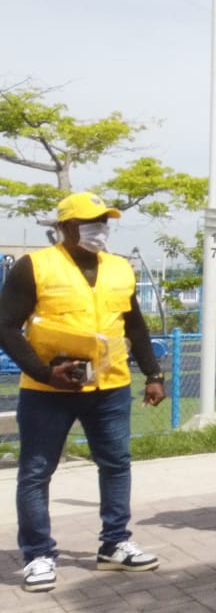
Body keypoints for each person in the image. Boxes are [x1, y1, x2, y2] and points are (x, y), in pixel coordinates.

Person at [0, 192, 165, 592]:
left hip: (110, 387)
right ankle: (38, 554)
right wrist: (44, 371)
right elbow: (5, 325)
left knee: (115, 464)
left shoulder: (119, 268)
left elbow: (135, 326)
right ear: (66, 226)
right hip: (47, 389)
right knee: (37, 472)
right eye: (90, 222)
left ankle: (115, 543)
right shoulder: (34, 266)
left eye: (104, 221)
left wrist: (154, 373)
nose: (100, 229)